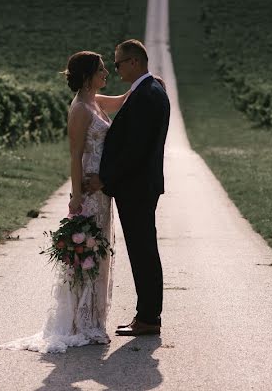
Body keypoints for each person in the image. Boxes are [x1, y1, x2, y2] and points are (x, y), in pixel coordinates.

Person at [1, 51, 128, 353]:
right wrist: (76, 197)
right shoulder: (80, 109)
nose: (106, 74)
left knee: (99, 252)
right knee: (89, 252)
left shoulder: (95, 100)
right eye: (101, 70)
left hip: (102, 190)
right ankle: (81, 323)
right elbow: (74, 156)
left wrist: (147, 82)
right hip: (88, 188)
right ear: (87, 76)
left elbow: (122, 100)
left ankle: (93, 319)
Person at [86, 39, 171, 337]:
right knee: (143, 249)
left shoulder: (148, 94)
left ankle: (148, 318)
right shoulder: (148, 90)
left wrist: (104, 178)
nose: (117, 68)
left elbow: (133, 149)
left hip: (136, 188)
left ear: (134, 62)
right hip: (140, 186)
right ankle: (146, 315)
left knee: (143, 250)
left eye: (119, 63)